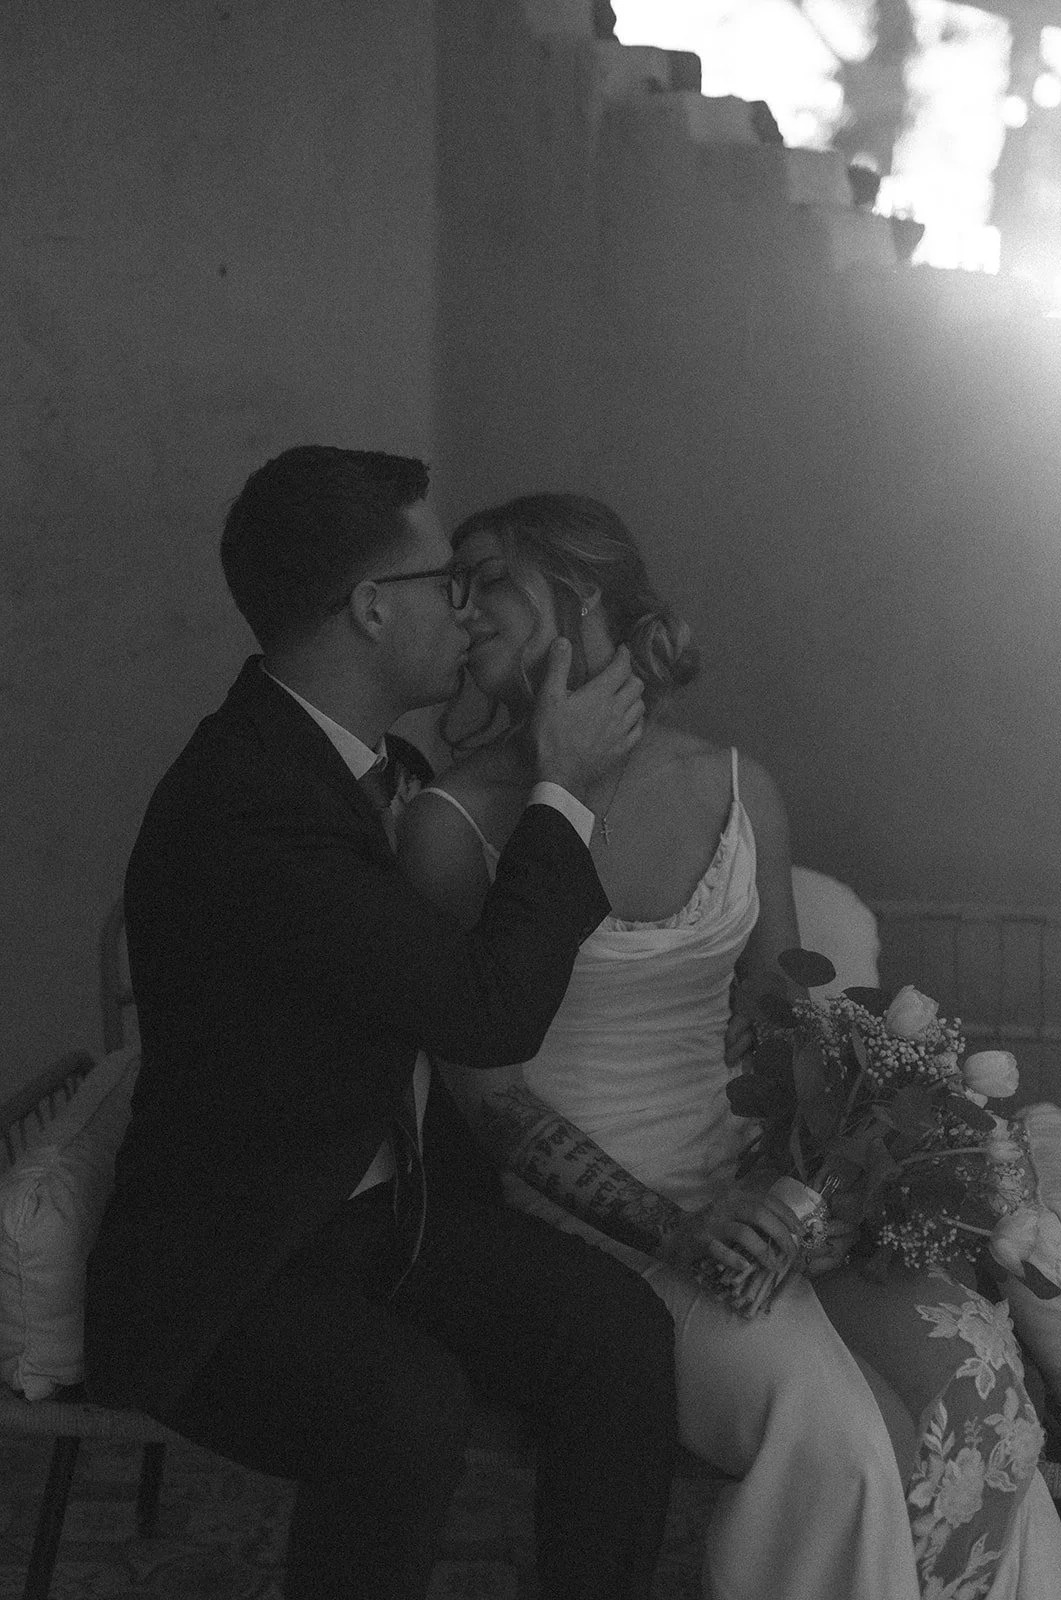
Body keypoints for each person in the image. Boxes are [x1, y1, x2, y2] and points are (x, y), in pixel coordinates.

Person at [397, 491, 1061, 1600]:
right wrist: (686, 1227)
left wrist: (821, 1185)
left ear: (583, 597)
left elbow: (787, 1031)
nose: (461, 612)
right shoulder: (448, 826)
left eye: (487, 582)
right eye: (448, 588)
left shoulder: (736, 786)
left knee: (976, 1379)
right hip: (586, 1232)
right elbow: (490, 1106)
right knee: (848, 1449)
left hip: (746, 1187)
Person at [83, 448, 684, 1600]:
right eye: (446, 584)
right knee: (402, 1405)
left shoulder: (375, 766)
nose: (465, 610)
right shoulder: (248, 801)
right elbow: (482, 1010)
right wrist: (564, 788)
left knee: (613, 1333)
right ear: (368, 607)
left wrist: (540, 756)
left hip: (375, 1218)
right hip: (237, 1259)